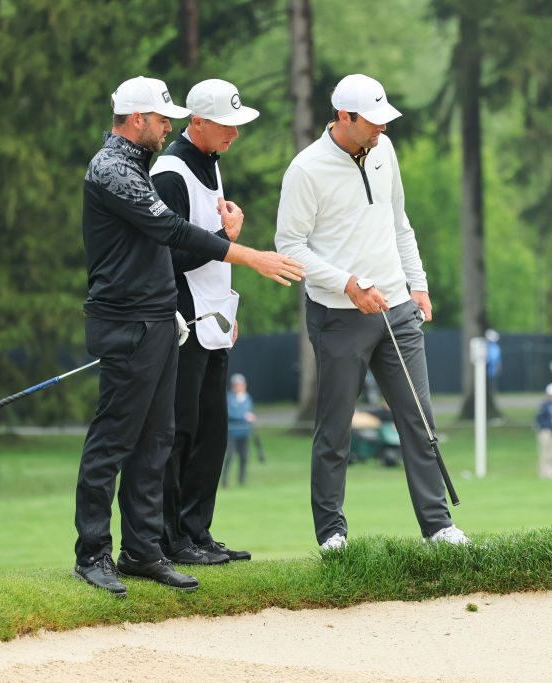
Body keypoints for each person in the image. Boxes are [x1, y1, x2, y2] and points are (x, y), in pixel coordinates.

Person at [73, 76, 303, 598]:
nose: (167, 126)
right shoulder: (111, 170)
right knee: (112, 442)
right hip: (126, 321)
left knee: (155, 443)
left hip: (157, 319)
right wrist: (250, 256)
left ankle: (142, 551)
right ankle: (92, 554)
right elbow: (174, 233)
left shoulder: (135, 166)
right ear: (137, 120)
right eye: (161, 119)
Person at [275, 73, 469, 551]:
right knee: (335, 430)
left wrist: (417, 284)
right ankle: (332, 534)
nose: (383, 128)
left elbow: (399, 222)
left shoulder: (384, 151)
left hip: (397, 309)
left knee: (420, 420)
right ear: (345, 117)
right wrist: (346, 283)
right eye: (374, 121)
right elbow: (289, 246)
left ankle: (438, 527)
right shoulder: (306, 170)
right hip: (339, 316)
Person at [151, 79, 258, 566]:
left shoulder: (210, 164)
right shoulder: (170, 172)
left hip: (214, 318)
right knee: (182, 431)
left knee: (212, 431)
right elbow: (165, 256)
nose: (234, 133)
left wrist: (229, 310)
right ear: (197, 122)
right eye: (226, 125)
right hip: (184, 321)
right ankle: (171, 539)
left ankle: (197, 532)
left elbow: (213, 253)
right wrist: (225, 233)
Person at [224, 373, 256, 486]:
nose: (239, 386)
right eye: (237, 384)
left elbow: (249, 411)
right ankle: (225, 480)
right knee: (230, 456)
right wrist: (244, 416)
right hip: (232, 433)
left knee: (244, 457)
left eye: (241, 384)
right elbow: (230, 413)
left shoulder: (247, 398)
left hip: (244, 432)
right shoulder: (229, 398)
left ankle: (242, 480)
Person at [534, 382, 552, 479]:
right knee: (544, 452)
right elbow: (539, 419)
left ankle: (551, 472)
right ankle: (543, 473)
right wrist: (544, 428)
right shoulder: (544, 406)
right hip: (545, 431)